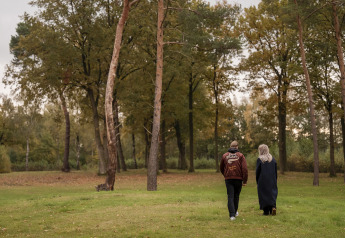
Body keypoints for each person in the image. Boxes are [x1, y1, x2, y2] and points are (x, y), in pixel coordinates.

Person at [220, 140, 248, 221]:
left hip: (228, 179)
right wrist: (245, 180)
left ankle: (232, 215)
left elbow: (221, 167)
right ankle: (235, 212)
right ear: (237, 147)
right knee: (236, 196)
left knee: (230, 196)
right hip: (238, 179)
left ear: (230, 146)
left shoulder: (225, 156)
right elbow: (245, 169)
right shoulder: (241, 156)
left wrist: (225, 174)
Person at [256, 144, 278, 216]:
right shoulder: (272, 159)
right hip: (272, 179)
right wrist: (275, 179)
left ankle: (266, 211)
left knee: (263, 194)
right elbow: (275, 170)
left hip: (263, 180)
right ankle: (273, 207)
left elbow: (258, 171)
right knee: (272, 193)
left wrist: (257, 180)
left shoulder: (260, 159)